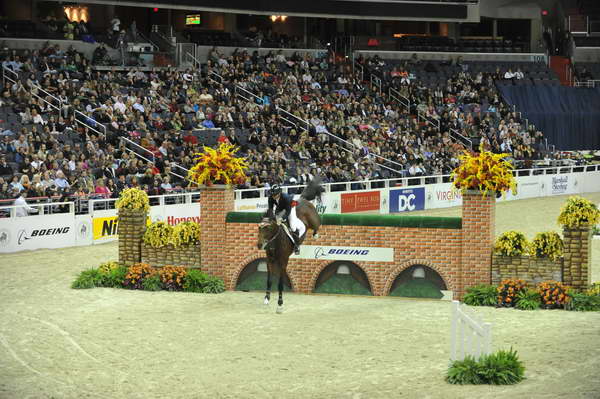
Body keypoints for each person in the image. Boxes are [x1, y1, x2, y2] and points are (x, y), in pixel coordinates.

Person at [265, 184, 304, 255]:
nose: (273, 196)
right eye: (272, 194)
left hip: (290, 208)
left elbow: (288, 211)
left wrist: (282, 218)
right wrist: (271, 218)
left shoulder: (286, 198)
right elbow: (270, 209)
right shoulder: (271, 197)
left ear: (279, 193)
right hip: (280, 208)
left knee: (292, 226)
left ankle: (297, 245)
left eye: (275, 194)